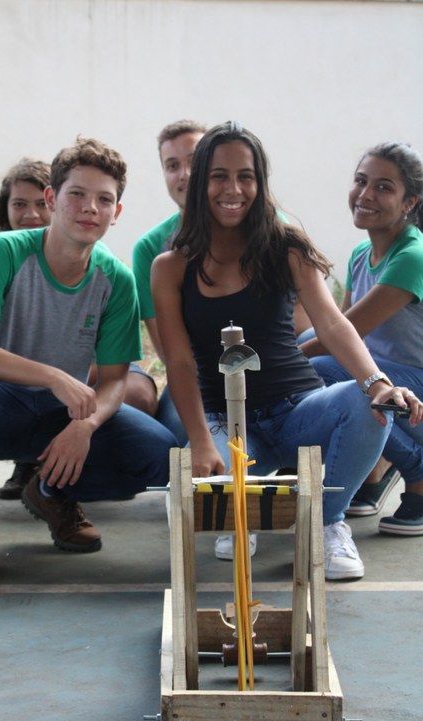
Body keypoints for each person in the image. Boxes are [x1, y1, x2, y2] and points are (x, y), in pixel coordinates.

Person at [151, 121, 423, 580]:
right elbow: (177, 361)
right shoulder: (170, 267)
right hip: (227, 423)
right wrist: (198, 439)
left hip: (298, 410)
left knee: (368, 402)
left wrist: (377, 383)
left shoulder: (287, 247)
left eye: (246, 176)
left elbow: (333, 324)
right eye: (219, 176)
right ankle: (247, 519)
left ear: (260, 183)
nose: (233, 189)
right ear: (200, 184)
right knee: (220, 508)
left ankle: (327, 523)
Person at [0, 137, 178, 587]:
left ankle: (50, 490)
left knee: (161, 454)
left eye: (104, 199)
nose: (90, 208)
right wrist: (53, 376)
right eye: (77, 194)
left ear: (116, 212)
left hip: (62, 416)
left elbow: (115, 381)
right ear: (52, 198)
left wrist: (86, 426)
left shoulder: (117, 280)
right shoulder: (2, 252)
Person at [301, 141, 423, 536]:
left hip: (416, 389)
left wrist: (280, 362)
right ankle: (375, 471)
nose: (366, 194)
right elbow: (336, 328)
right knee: (318, 351)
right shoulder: (360, 254)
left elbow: (342, 335)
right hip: (392, 381)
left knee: (320, 368)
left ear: (410, 202)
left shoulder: (412, 257)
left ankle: (417, 469)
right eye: (361, 181)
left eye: (384, 187)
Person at [132, 119, 206, 445]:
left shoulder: (270, 228)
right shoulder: (151, 249)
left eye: (194, 161)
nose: (184, 174)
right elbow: (166, 350)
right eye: (172, 166)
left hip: (266, 373)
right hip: (194, 377)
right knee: (170, 446)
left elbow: (300, 326)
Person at [0, 158, 53, 500]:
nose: (31, 214)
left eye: (41, 204)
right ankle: (26, 463)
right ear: (5, 209)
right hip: (11, 366)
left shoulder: (74, 255)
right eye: (19, 204)